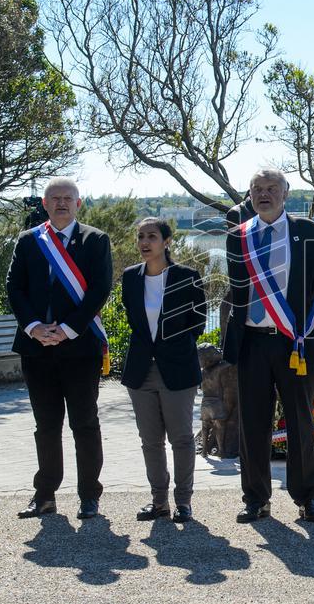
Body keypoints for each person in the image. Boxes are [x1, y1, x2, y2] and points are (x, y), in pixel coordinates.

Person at [223, 169, 314, 523]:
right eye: (257, 189)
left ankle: (307, 497)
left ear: (286, 193)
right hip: (252, 342)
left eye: (271, 188)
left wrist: (309, 334)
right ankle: (256, 498)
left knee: (301, 421)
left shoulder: (308, 232)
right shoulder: (238, 236)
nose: (263, 194)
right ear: (250, 195)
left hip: (294, 343)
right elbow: (236, 294)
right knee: (253, 424)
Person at [6, 177, 113, 520]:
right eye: (55, 198)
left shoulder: (95, 240)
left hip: (80, 349)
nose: (62, 203)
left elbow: (100, 289)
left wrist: (67, 330)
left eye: (68, 198)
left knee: (85, 424)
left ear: (79, 204)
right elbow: (14, 287)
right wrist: (34, 327)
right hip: (37, 348)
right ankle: (45, 495)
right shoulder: (29, 240)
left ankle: (89, 495)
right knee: (46, 426)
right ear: (45, 203)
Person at [121, 217, 207, 522]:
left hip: (178, 369)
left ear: (167, 241)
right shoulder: (130, 277)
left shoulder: (187, 276)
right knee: (150, 441)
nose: (145, 242)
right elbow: (133, 319)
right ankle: (159, 502)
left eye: (152, 236)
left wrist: (173, 347)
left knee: (181, 439)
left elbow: (198, 322)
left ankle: (183, 502)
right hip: (140, 370)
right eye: (141, 236)